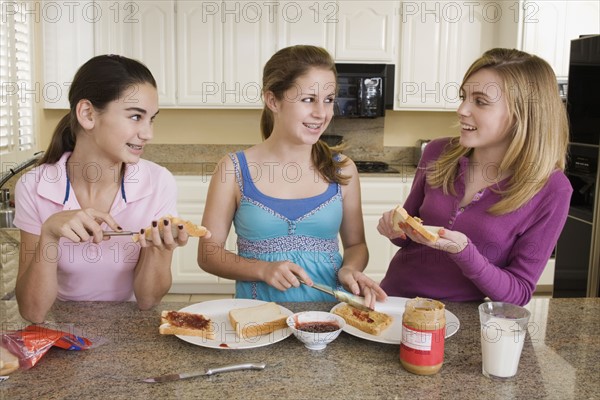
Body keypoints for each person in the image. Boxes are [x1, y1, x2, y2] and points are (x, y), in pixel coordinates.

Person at [377, 48, 572, 306]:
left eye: (480, 101)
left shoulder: (552, 189)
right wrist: (393, 228)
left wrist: (465, 253)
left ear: (523, 114)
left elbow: (519, 293)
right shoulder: (437, 152)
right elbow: (407, 234)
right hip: (392, 302)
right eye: (463, 97)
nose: (461, 109)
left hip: (459, 322)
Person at [14, 55, 198, 323]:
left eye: (151, 119)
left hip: (131, 331)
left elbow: (148, 300)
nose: (148, 133)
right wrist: (49, 235)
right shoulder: (34, 186)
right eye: (136, 116)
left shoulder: (158, 182)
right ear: (88, 114)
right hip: (65, 332)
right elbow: (33, 312)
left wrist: (161, 247)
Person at [198, 45, 386, 307]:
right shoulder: (233, 169)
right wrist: (262, 269)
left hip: (329, 318)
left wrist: (350, 269)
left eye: (329, 99)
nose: (322, 113)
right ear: (273, 100)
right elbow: (208, 254)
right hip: (258, 318)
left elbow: (356, 245)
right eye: (308, 99)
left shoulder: (343, 170)